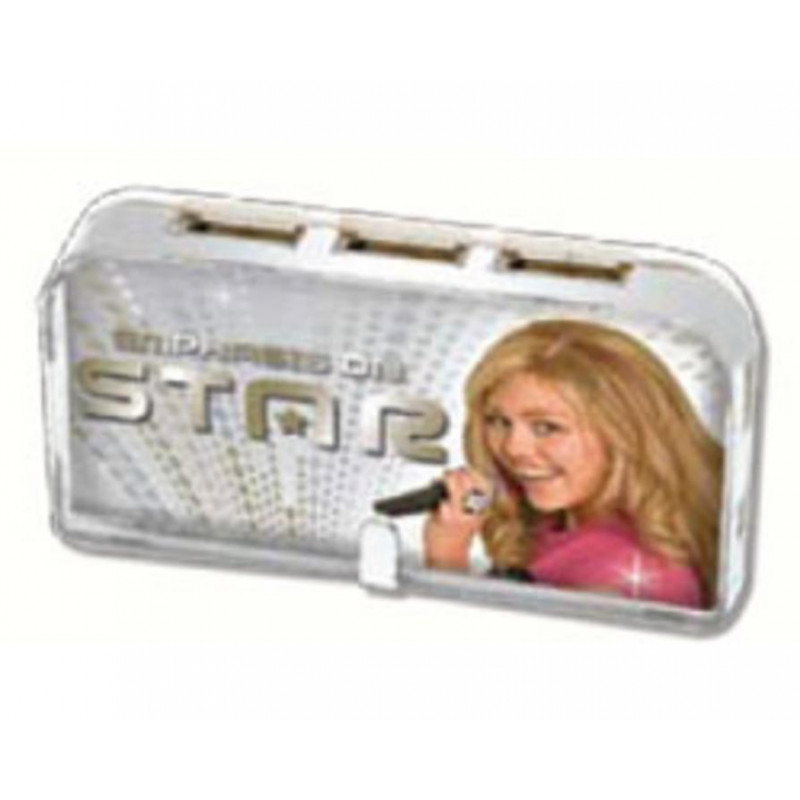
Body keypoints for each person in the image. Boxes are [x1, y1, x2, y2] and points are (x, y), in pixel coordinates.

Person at [423, 319, 723, 609]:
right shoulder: (561, 523)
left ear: (626, 434)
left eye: (546, 427)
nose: (513, 448)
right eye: (499, 422)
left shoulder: (635, 578)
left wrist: (447, 561)